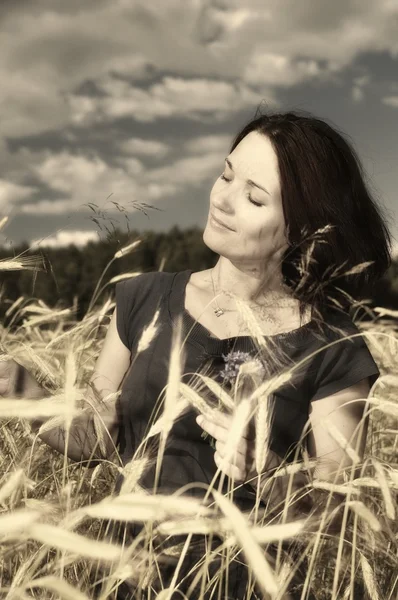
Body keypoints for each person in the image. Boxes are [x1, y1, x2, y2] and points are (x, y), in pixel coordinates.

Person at [1, 109, 391, 599]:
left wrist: (267, 471)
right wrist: (31, 398)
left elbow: (338, 517)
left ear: (302, 231)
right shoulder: (143, 298)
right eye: (226, 174)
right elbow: (99, 437)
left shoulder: (332, 348)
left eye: (253, 197)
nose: (223, 199)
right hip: (127, 578)